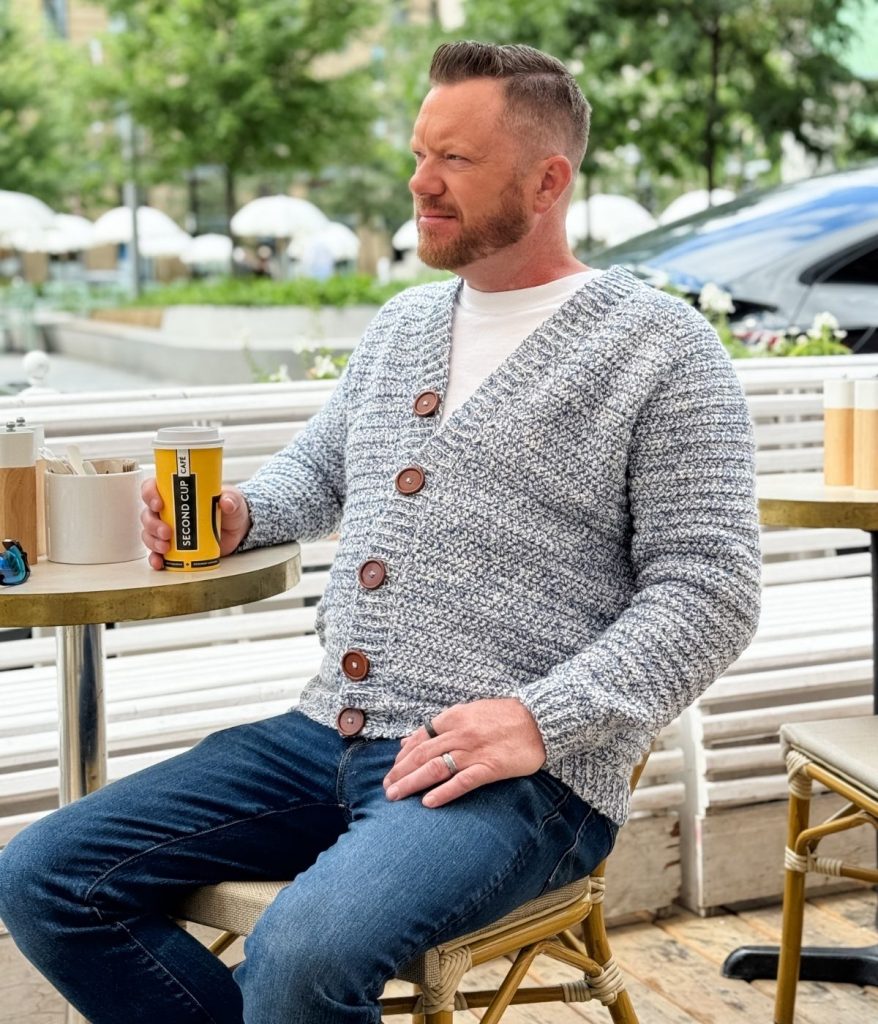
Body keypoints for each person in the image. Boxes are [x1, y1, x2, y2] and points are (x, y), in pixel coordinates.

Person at [0, 41, 762, 1023]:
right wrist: (240, 514)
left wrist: (537, 717)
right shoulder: (403, 324)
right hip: (325, 734)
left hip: (518, 776)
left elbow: (710, 589)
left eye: (454, 160)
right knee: (45, 875)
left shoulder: (659, 347)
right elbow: (316, 470)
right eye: (417, 153)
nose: (419, 183)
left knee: (302, 959)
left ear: (547, 179)